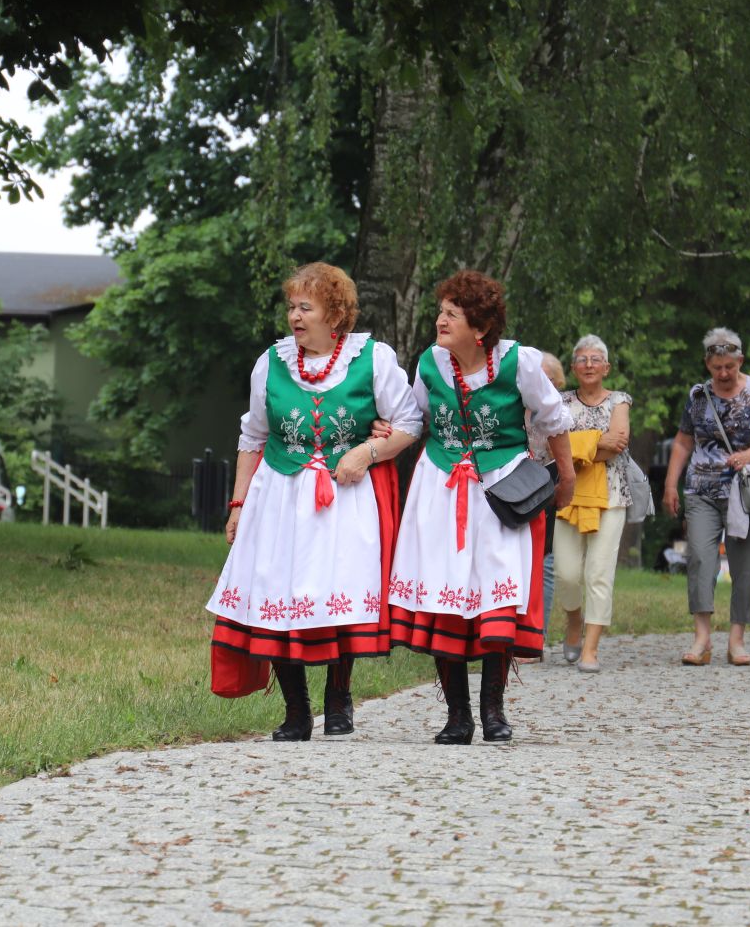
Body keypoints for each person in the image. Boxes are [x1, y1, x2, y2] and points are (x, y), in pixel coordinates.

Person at [207, 262, 422, 740]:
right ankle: (296, 711)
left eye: (307, 307)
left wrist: (366, 452)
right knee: (278, 595)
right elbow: (252, 436)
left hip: (345, 498)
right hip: (280, 495)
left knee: (335, 594)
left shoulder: (373, 359)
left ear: (336, 313)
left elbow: (409, 422)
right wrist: (238, 505)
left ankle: (338, 698)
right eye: (291, 306)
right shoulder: (271, 362)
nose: (295, 316)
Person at [387, 270, 573, 744]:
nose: (440, 319)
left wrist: (566, 477)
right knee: (444, 592)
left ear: (481, 327)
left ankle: (493, 710)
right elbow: (414, 416)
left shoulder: (519, 363)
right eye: (441, 310)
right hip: (441, 486)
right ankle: (457, 715)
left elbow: (554, 420)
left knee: (496, 593)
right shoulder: (430, 363)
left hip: (501, 490)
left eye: (452, 313)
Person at [662, 327, 750, 666]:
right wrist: (671, 484)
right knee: (700, 558)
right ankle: (702, 637)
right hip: (702, 488)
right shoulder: (698, 395)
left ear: (740, 360)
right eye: (717, 367)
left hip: (746, 492)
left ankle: (737, 638)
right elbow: (684, 439)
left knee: (745, 564)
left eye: (730, 366)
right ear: (708, 364)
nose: (724, 373)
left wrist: (748, 454)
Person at [554, 335, 632, 674]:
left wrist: (575, 444)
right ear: (572, 367)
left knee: (599, 573)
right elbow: (549, 444)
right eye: (582, 359)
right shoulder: (559, 401)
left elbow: (618, 445)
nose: (588, 365)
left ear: (607, 367)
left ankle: (591, 647)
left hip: (611, 497)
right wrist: (597, 441)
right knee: (567, 573)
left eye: (595, 359)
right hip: (567, 493)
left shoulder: (619, 401)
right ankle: (574, 620)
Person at [527, 352, 567, 661]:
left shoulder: (560, 410)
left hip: (549, 485)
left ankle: (536, 637)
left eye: (546, 377)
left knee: (545, 563)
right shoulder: (512, 404)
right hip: (512, 486)